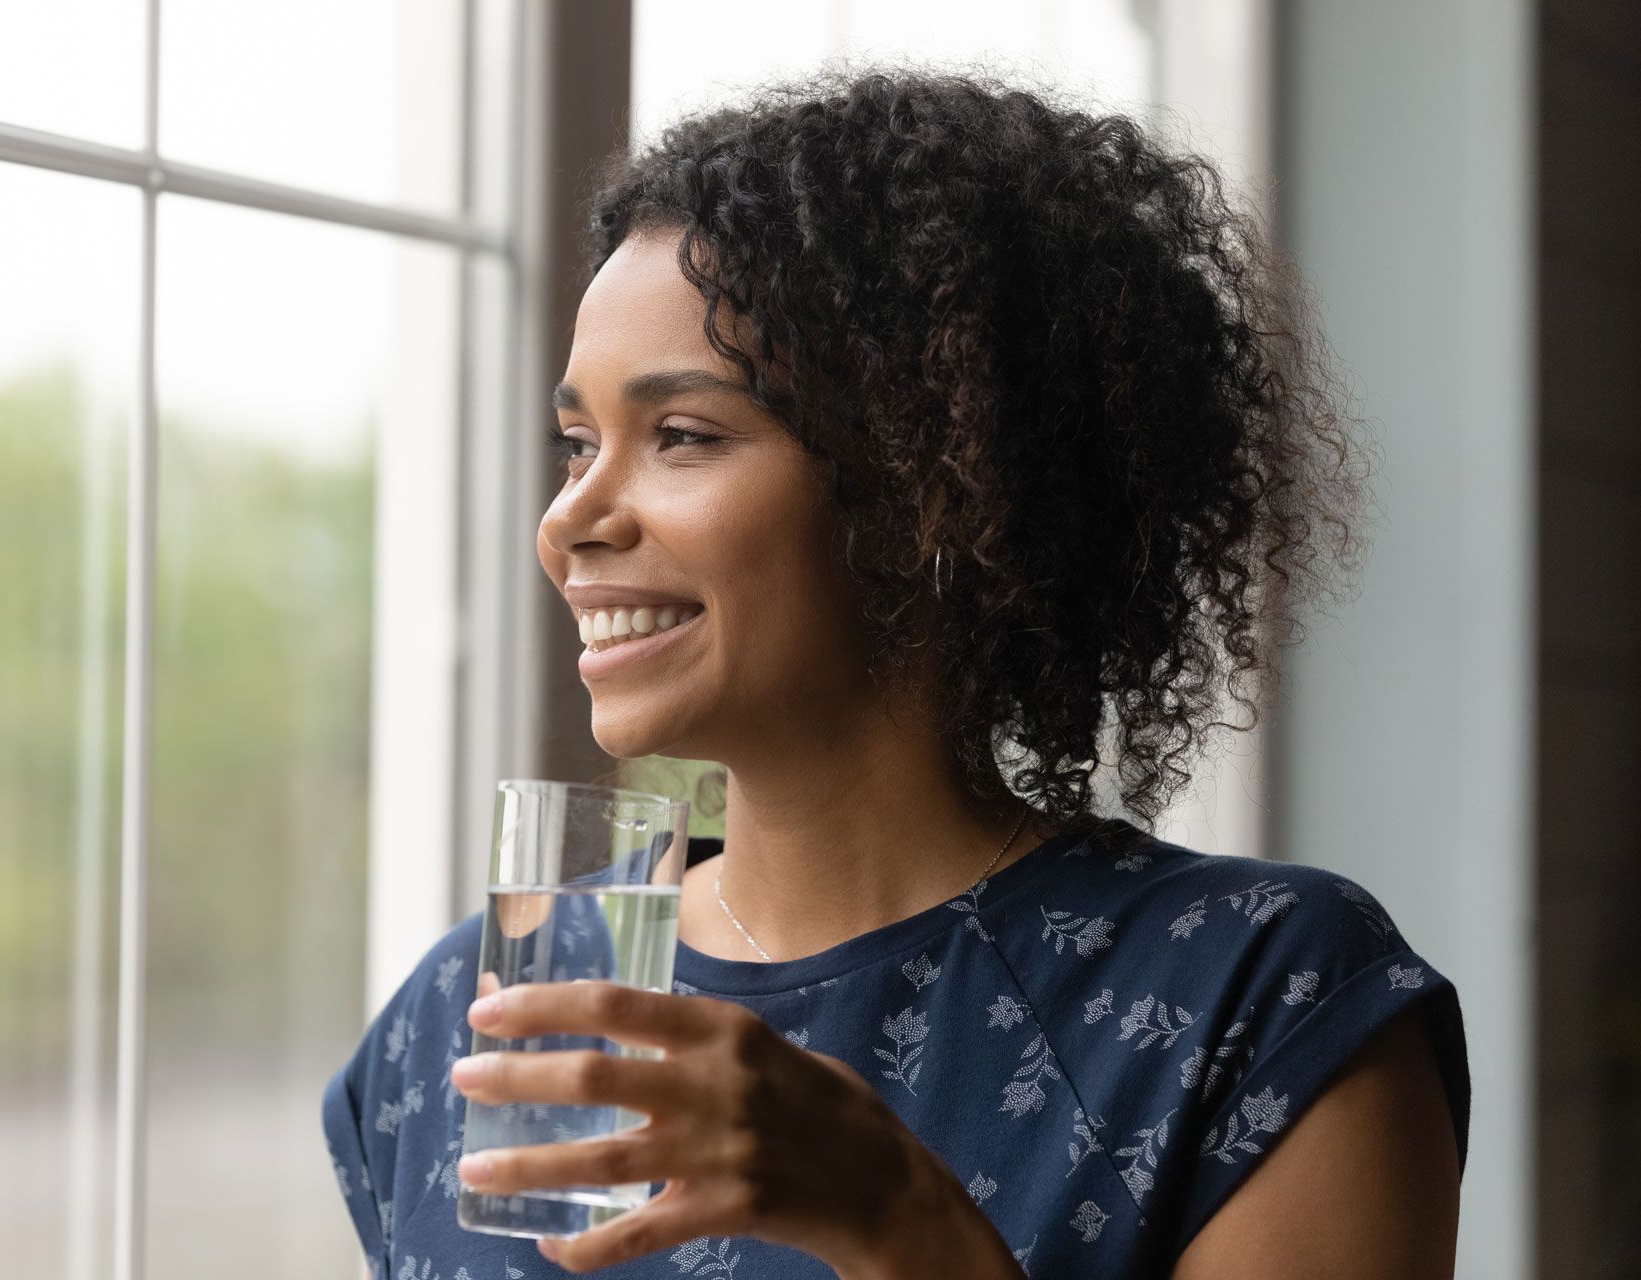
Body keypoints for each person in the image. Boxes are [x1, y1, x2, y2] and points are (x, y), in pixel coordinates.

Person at [323, 63, 1468, 1279]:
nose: (571, 520)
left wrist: (896, 1215)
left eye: (683, 435)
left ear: (934, 485)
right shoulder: (471, 1013)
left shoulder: (1262, 1001)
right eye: (575, 445)